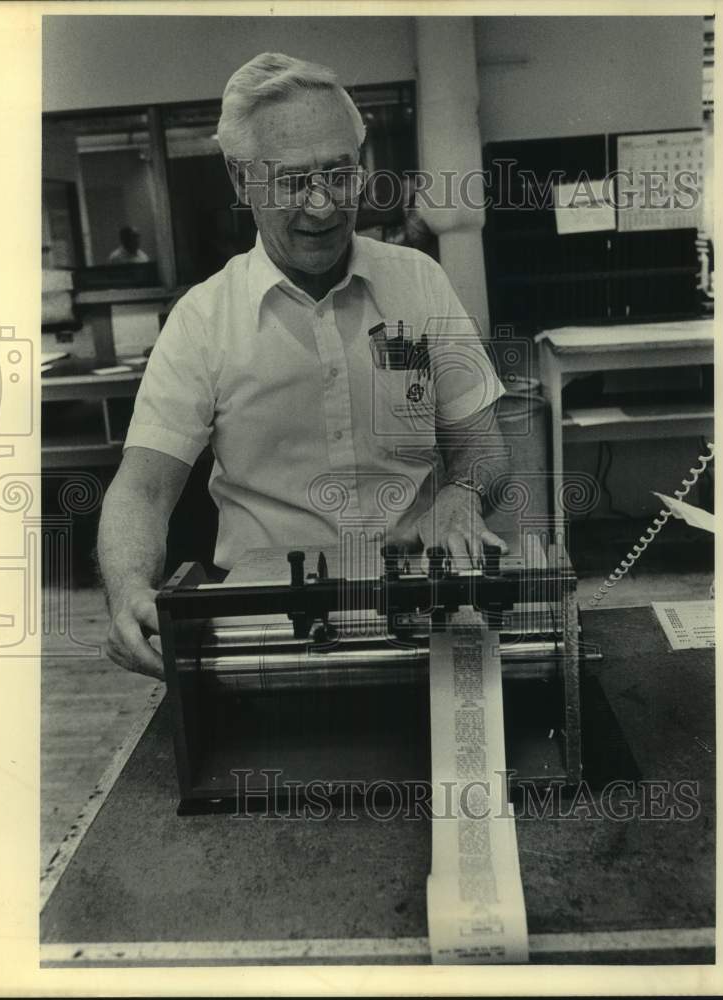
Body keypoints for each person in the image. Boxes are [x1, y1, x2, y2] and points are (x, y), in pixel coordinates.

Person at [98, 52, 509, 680]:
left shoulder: (420, 285)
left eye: (340, 175)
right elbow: (144, 489)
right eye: (292, 182)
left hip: (425, 611)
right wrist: (128, 588)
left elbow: (483, 449)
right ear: (242, 183)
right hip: (265, 631)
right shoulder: (203, 320)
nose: (322, 206)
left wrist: (462, 495)